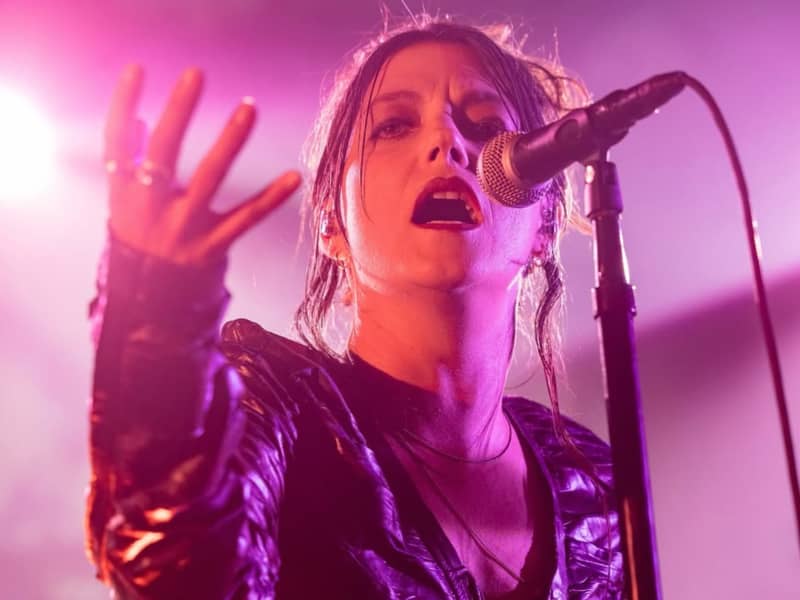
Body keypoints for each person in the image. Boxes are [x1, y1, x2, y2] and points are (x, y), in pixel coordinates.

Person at [86, 15, 622, 600]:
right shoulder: (273, 412)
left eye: (486, 125)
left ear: (543, 223)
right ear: (331, 225)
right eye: (392, 125)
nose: (447, 142)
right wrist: (156, 322)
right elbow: (177, 570)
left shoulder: (590, 482)